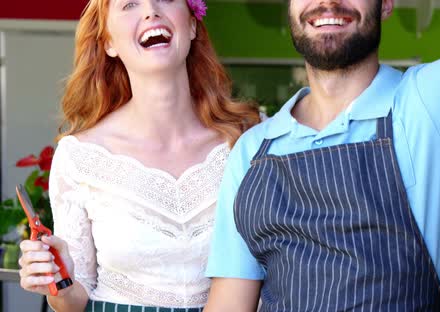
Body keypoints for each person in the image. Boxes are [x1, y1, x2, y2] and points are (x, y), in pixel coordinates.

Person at [204, 0, 440, 311]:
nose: (327, 2)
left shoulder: (435, 100)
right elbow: (229, 302)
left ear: (385, 4)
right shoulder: (252, 151)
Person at [17, 0, 260, 311]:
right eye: (129, 4)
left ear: (192, 25)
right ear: (108, 42)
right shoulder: (79, 157)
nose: (150, 11)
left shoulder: (252, 141)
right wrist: (58, 282)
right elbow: (75, 301)